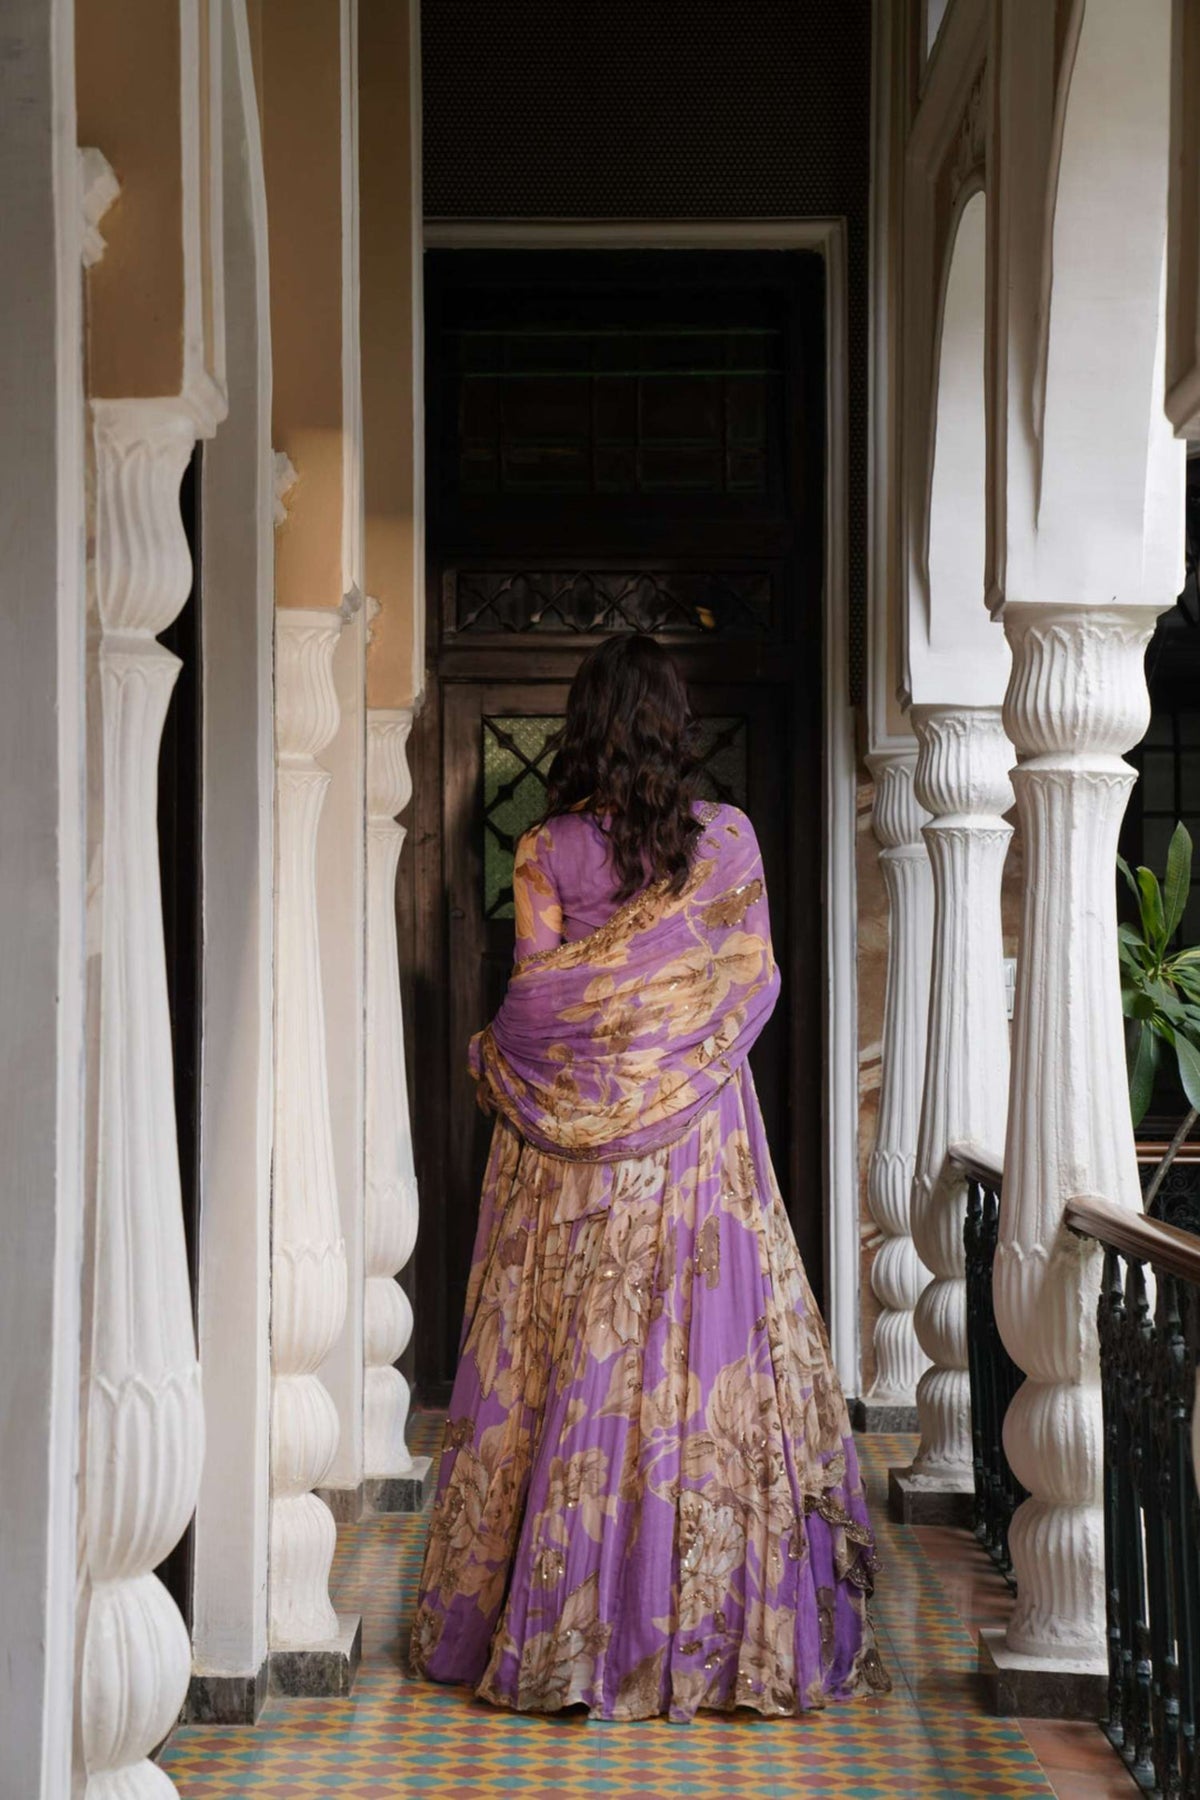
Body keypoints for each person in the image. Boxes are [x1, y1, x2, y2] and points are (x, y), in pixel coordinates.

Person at [410, 634, 887, 1721]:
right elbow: (749, 982)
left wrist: (492, 1055)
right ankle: (721, 1643)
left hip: (575, 1173)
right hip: (699, 1161)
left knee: (573, 1376)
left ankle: (576, 1639)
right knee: (699, 1380)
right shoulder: (729, 841)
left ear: (583, 730)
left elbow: (538, 1011)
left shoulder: (546, 849)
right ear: (673, 730)